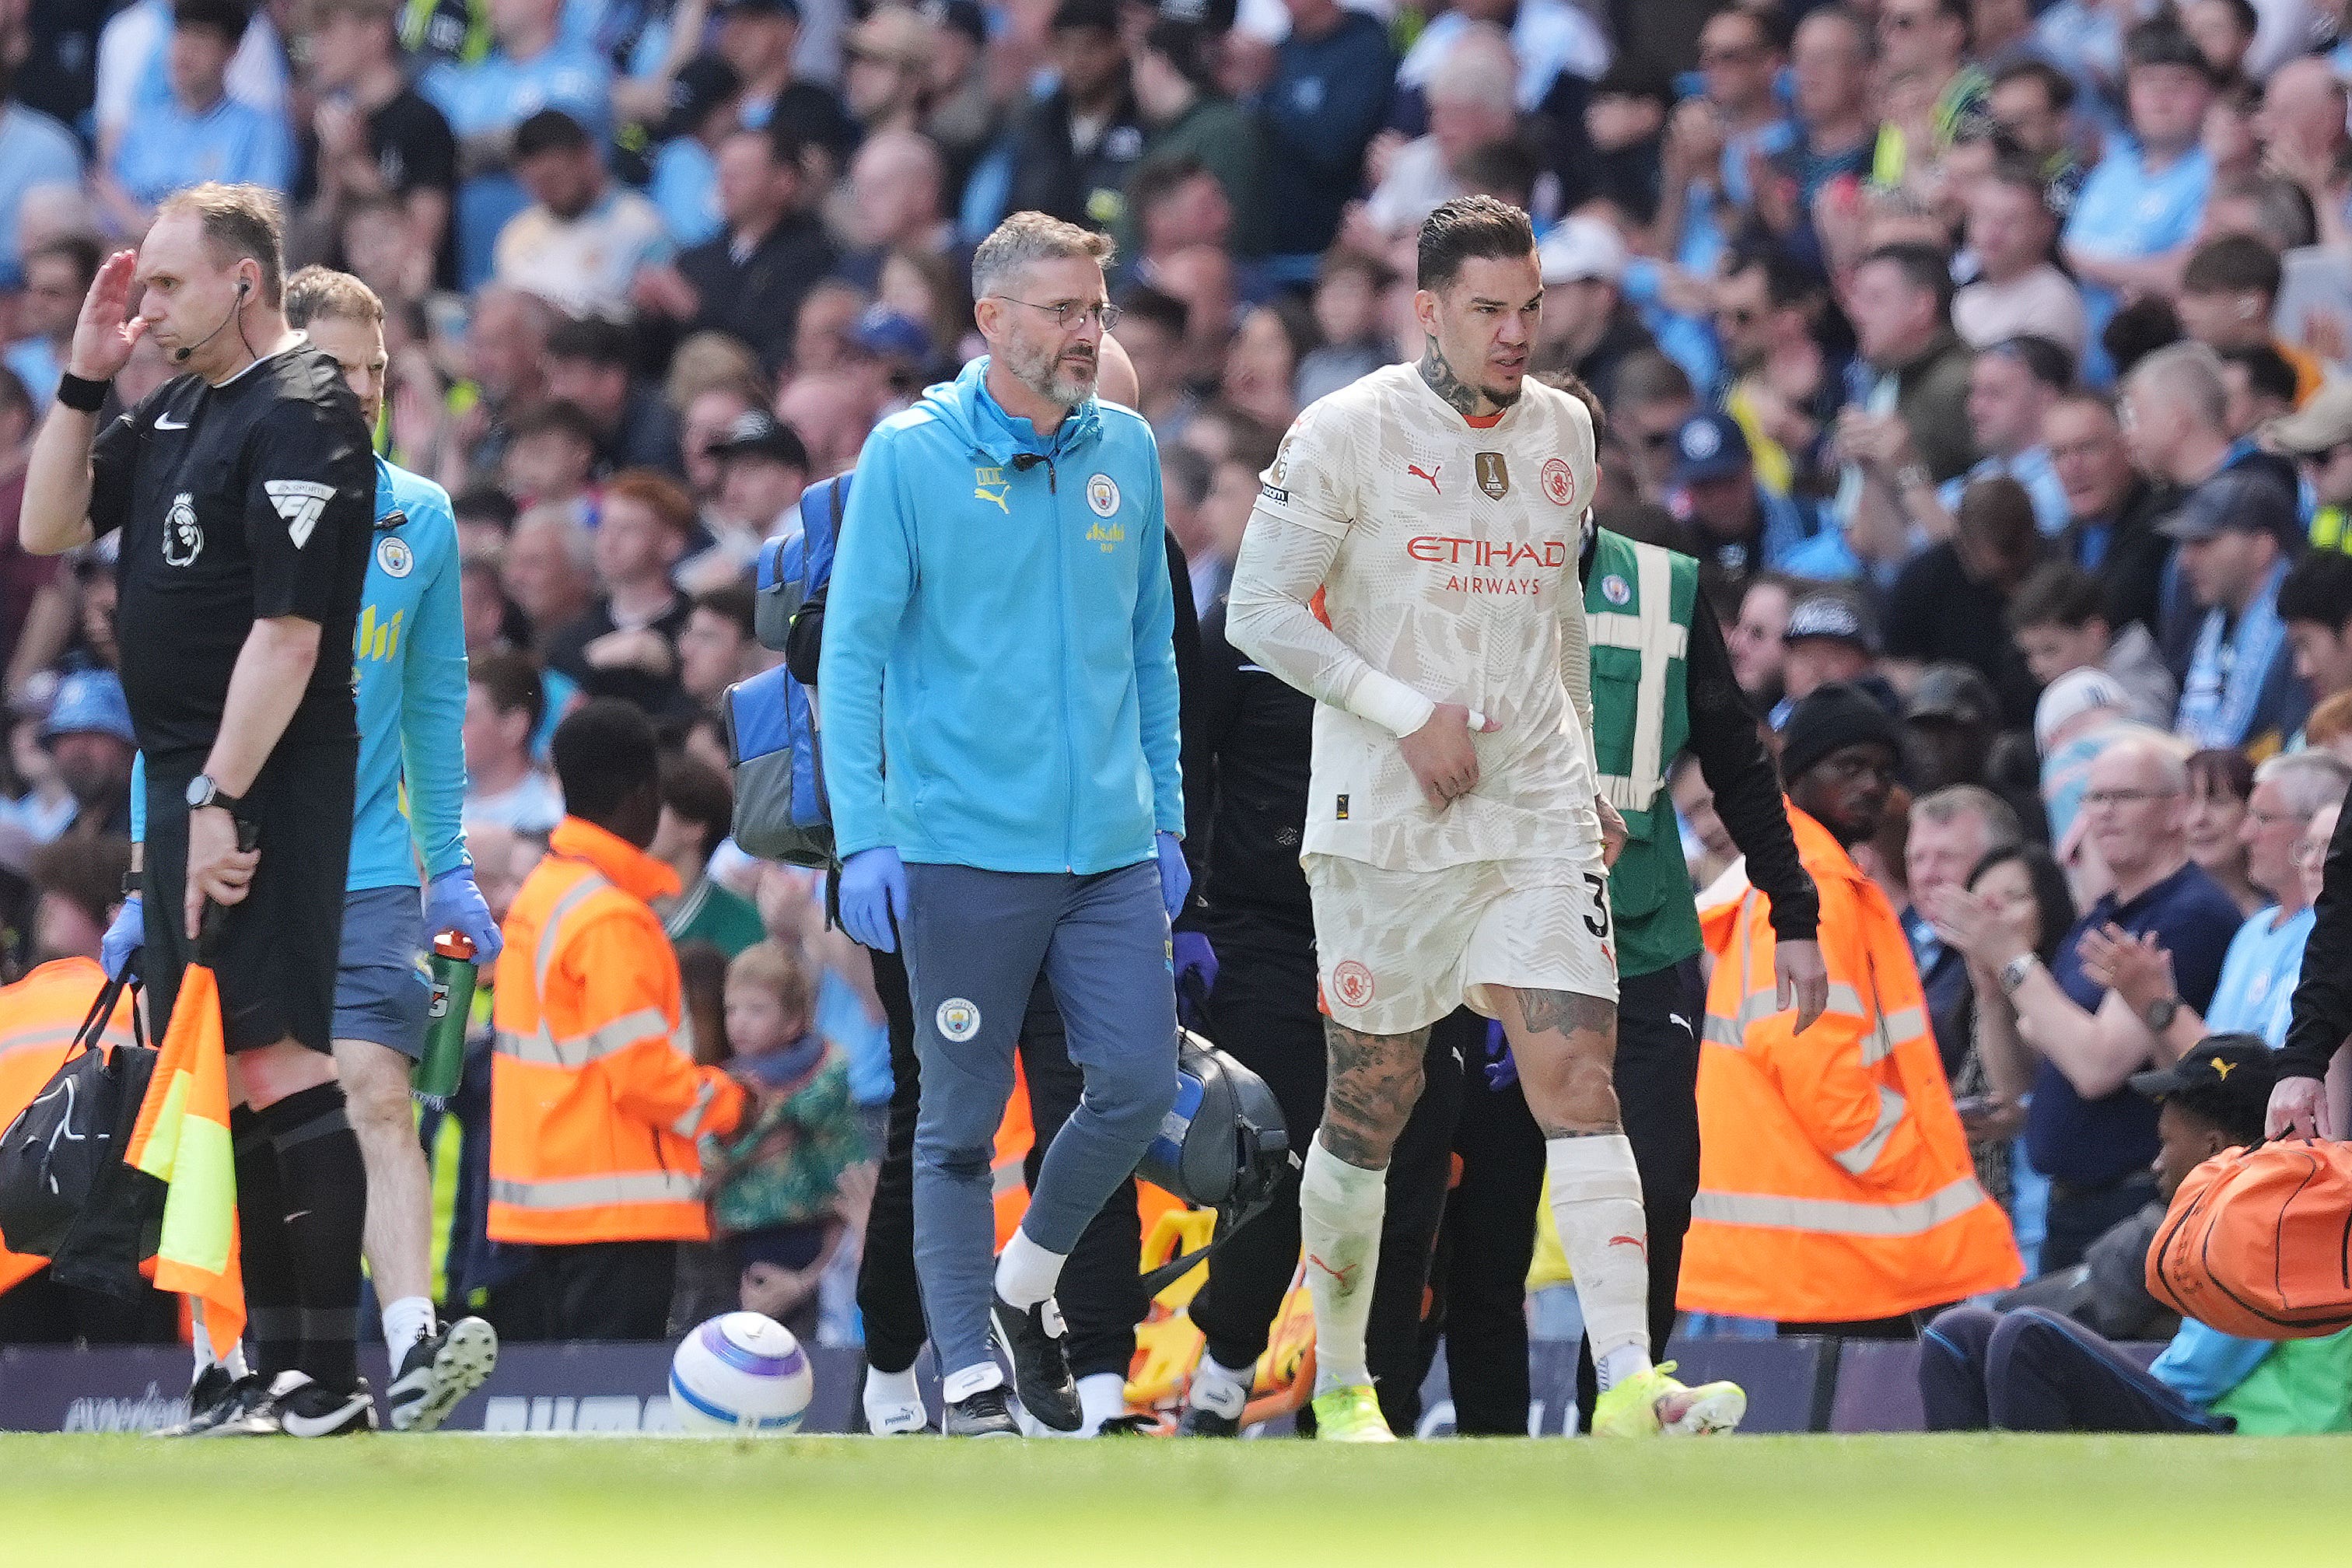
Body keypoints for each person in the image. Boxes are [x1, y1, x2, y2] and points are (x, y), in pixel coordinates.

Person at [1227, 195, 1738, 1440]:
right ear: (1428, 310)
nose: (1515, 334)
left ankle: (1628, 1382)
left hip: (1535, 813)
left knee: (1581, 1077)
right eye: (1488, 311)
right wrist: (1405, 710)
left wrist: (1593, 780)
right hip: (1387, 819)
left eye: (1530, 309)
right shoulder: (1344, 429)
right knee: (1373, 1100)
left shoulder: (1565, 427)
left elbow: (1559, 615)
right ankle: (1345, 1379)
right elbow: (1259, 611)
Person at [819, 212, 1185, 1437]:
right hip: (961, 848)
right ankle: (968, 1364)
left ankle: (1025, 1279)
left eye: (1098, 308)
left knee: (1134, 1086)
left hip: (1111, 852)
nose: (1090, 331)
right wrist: (866, 832)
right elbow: (855, 653)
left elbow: (1152, 652)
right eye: (1065, 311)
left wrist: (1168, 813)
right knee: (956, 1122)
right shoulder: (909, 455)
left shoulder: (1125, 450)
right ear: (993, 321)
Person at [20, 184, 376, 1437]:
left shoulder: (305, 410)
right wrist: (81, 375)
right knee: (219, 1073)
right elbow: (48, 520)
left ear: (244, 282)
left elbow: (287, 638)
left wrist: (223, 797)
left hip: (260, 774)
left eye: (167, 285)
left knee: (281, 1058)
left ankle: (327, 1377)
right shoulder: (175, 405)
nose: (147, 305)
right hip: (183, 782)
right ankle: (278, 1372)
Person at [1682, 684, 2022, 1335]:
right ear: (1796, 774)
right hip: (1844, 1227)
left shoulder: (1796, 875)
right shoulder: (1818, 886)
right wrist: (1908, 1166)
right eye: (1850, 767)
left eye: (1884, 771)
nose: (1872, 785)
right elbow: (1814, 1063)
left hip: (1817, 1230)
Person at [1924, 1038, 2352, 1436]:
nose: (2155, 1164)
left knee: (2028, 1337)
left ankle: (2042, 1512)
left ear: (2214, 1149)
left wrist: (2108, 1384)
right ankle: (1970, 1507)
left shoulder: (2272, 1220)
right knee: (1957, 1332)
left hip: (2240, 1431)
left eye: (2166, 1143)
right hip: (2199, 1404)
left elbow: (2197, 1376)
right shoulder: (2236, 1218)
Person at [487, 698, 749, 1340]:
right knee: (613, 1407)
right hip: (616, 1206)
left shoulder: (545, 894)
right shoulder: (611, 917)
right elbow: (642, 1076)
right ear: (646, 795)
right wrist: (732, 1104)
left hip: (547, 1198)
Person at [1934, 734, 2243, 1270]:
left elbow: (2098, 1066)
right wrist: (1993, 991)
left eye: (2124, 797)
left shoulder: (2188, 914)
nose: (2104, 814)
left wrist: (2011, 957)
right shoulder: (2101, 917)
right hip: (2069, 1205)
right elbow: (2018, 1083)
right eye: (2094, 799)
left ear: (2177, 811)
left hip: (2135, 1201)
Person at [699, 939, 873, 1343]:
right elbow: (709, 1155)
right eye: (731, 1010)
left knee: (801, 1339)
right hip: (740, 1233)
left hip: (808, 1227)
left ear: (794, 1021)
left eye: (757, 1010)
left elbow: (789, 1119)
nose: (739, 1023)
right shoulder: (728, 1080)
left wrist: (741, 1144)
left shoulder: (823, 1070)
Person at [1904, 786, 2025, 1074]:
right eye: (1917, 858)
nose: (1926, 875)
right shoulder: (1893, 941)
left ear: (1996, 863)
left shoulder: (2024, 947)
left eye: (1946, 857)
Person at [2007, 562, 2176, 728]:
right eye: (2029, 653)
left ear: (2095, 632)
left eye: (2050, 650)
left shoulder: (2141, 689)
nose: (2038, 666)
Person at [651, 754, 766, 957]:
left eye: (654, 808)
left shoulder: (745, 928)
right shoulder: (620, 910)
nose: (640, 818)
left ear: (695, 827)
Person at [461, 650, 563, 833]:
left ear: (514, 726)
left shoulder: (549, 815)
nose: (450, 730)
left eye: (466, 717)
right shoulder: (437, 807)